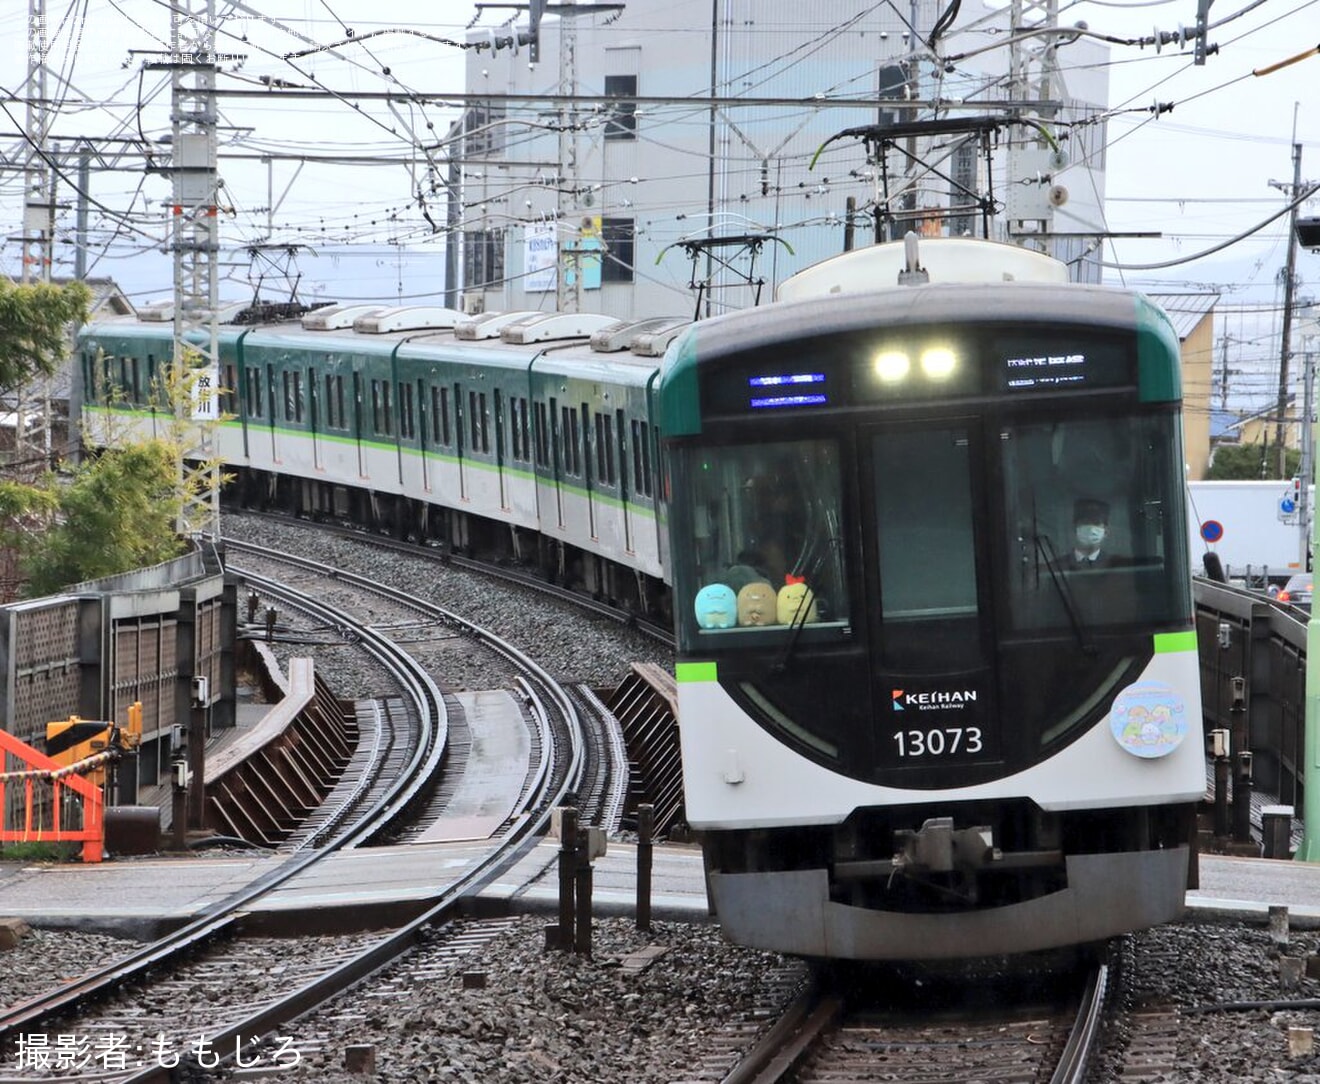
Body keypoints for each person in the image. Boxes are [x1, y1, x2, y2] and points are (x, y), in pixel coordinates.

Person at [1071, 498, 1112, 567]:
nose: (1091, 528)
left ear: (1106, 531)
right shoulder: (1056, 566)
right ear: (1074, 529)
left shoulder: (1117, 565)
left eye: (1096, 522)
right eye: (1085, 522)